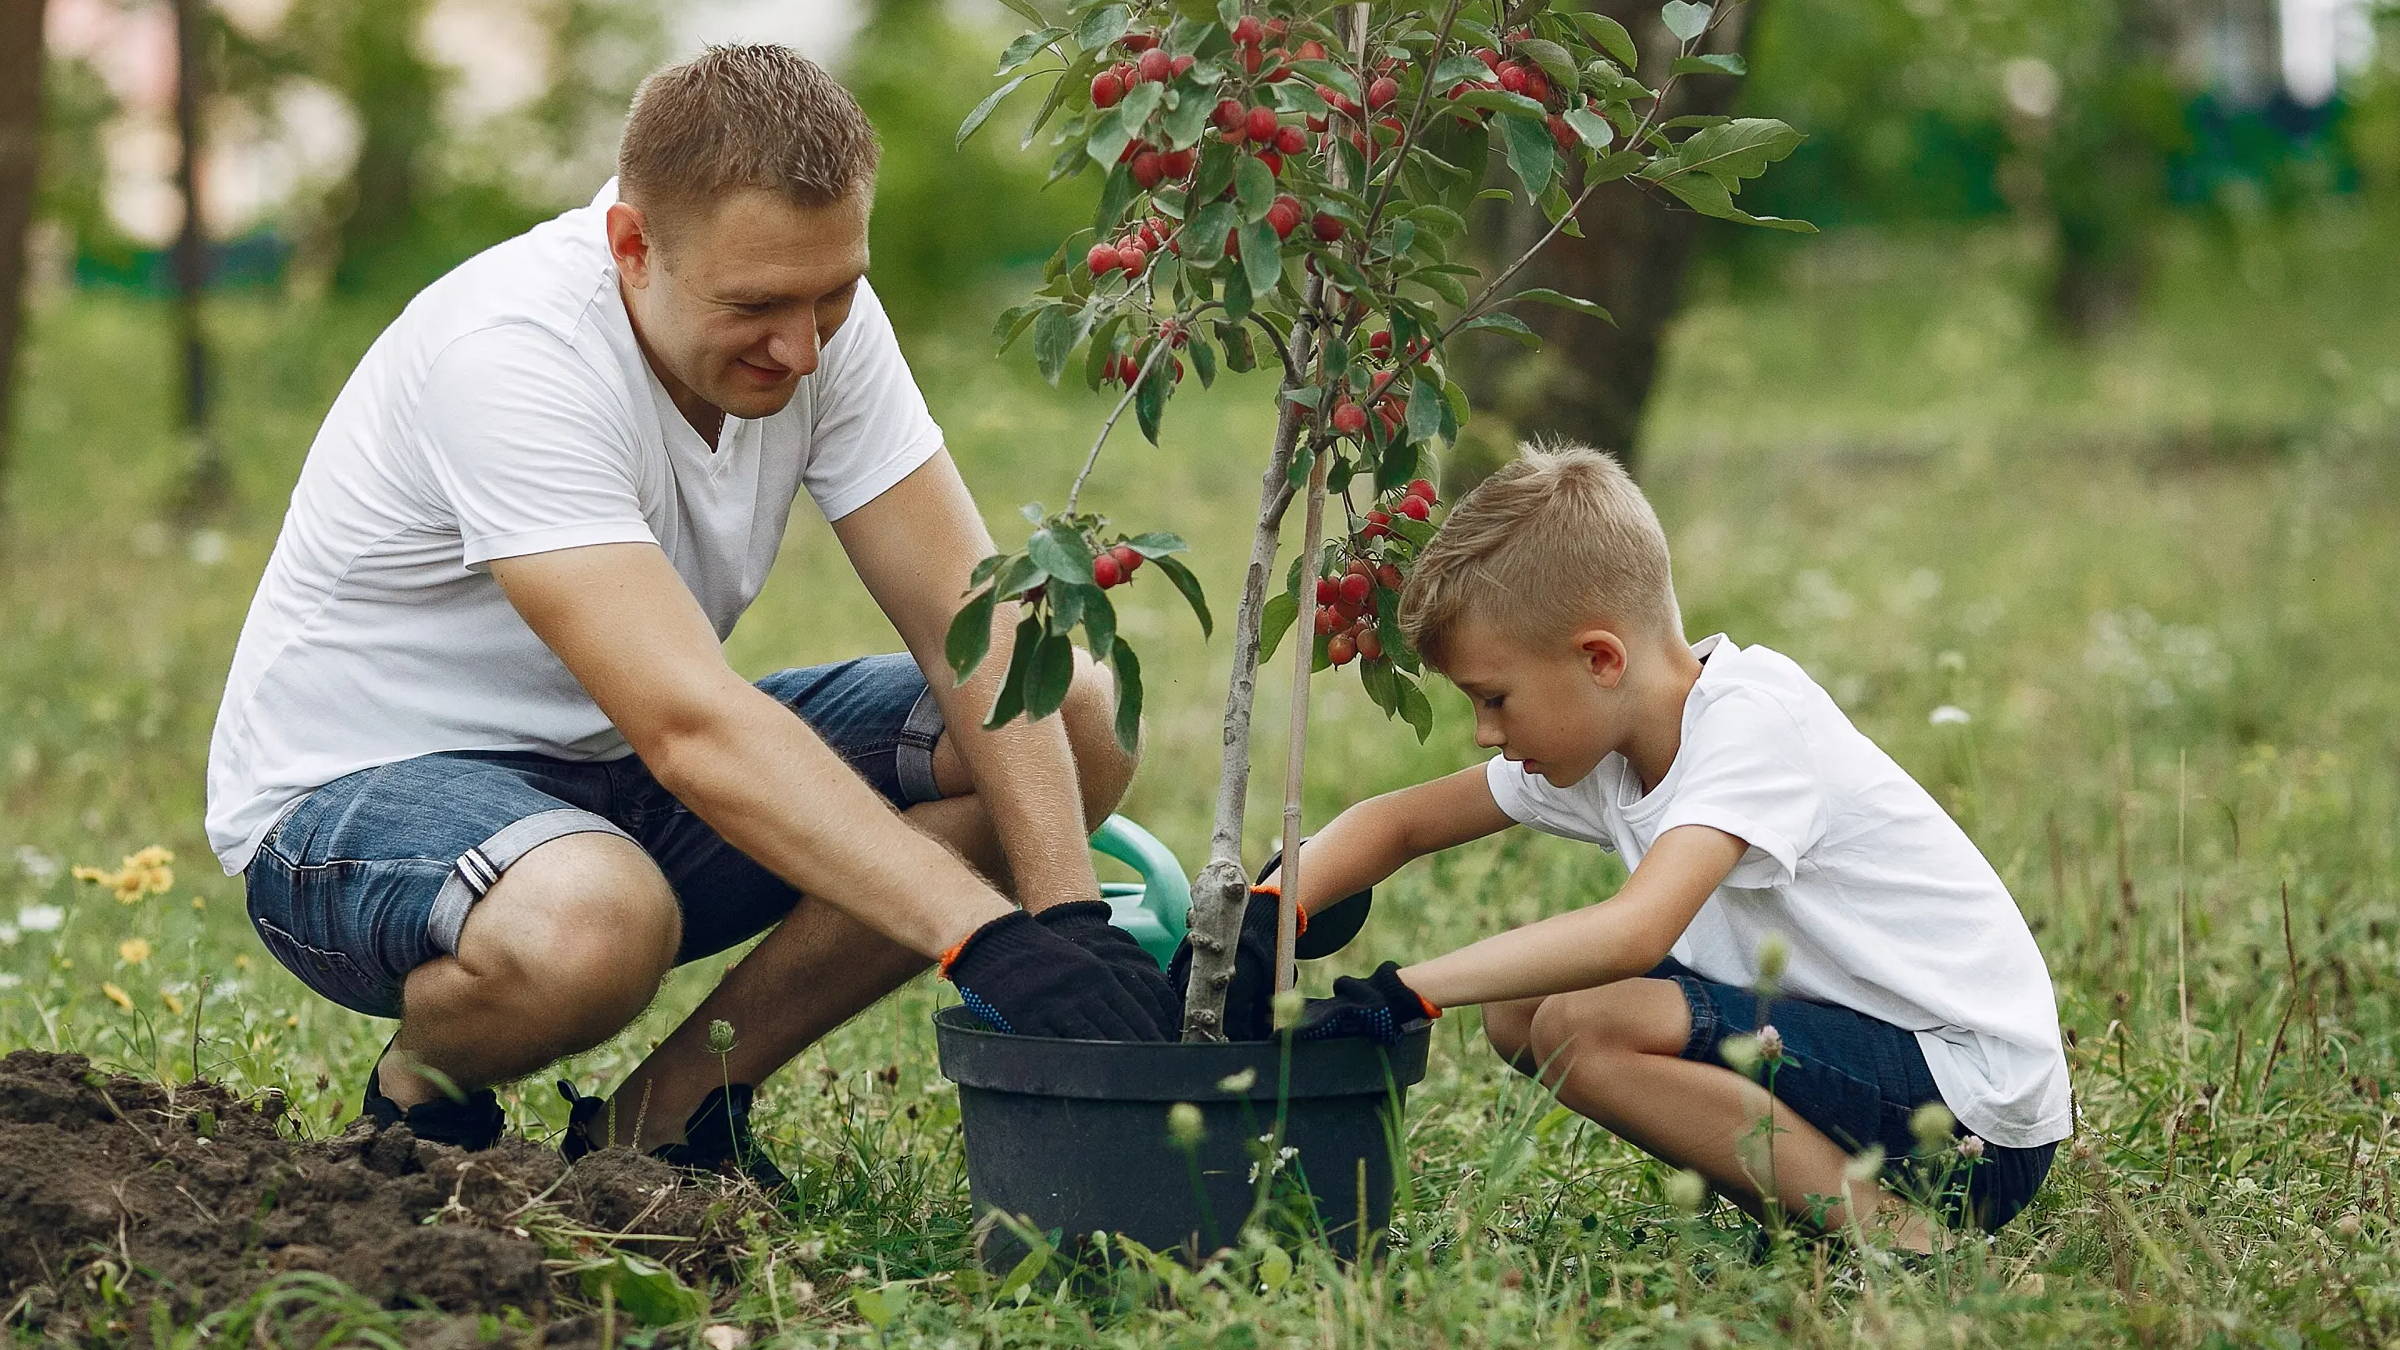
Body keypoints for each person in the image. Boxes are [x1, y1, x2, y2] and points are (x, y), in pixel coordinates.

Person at [203, 45, 1176, 1192]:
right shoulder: (512, 355)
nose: (803, 348)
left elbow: (977, 618)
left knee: (1066, 713)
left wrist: (1067, 919)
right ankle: (423, 1096)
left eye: (834, 294)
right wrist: (990, 939)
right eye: (758, 305)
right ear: (632, 247)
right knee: (594, 925)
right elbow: (690, 724)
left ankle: (666, 1119)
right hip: (357, 802)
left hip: (614, 781)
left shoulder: (813, 318)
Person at [1265, 444, 2071, 1250]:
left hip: (1972, 1117)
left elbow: (1633, 932)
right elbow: (1399, 823)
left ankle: (1916, 1250)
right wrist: (1270, 907)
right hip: (1859, 1050)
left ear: (1600, 659)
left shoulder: (1752, 724)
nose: (1485, 732)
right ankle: (1805, 1222)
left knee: (1585, 1026)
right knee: (1520, 1010)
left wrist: (1407, 990)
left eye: (1495, 698)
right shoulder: (1611, 729)